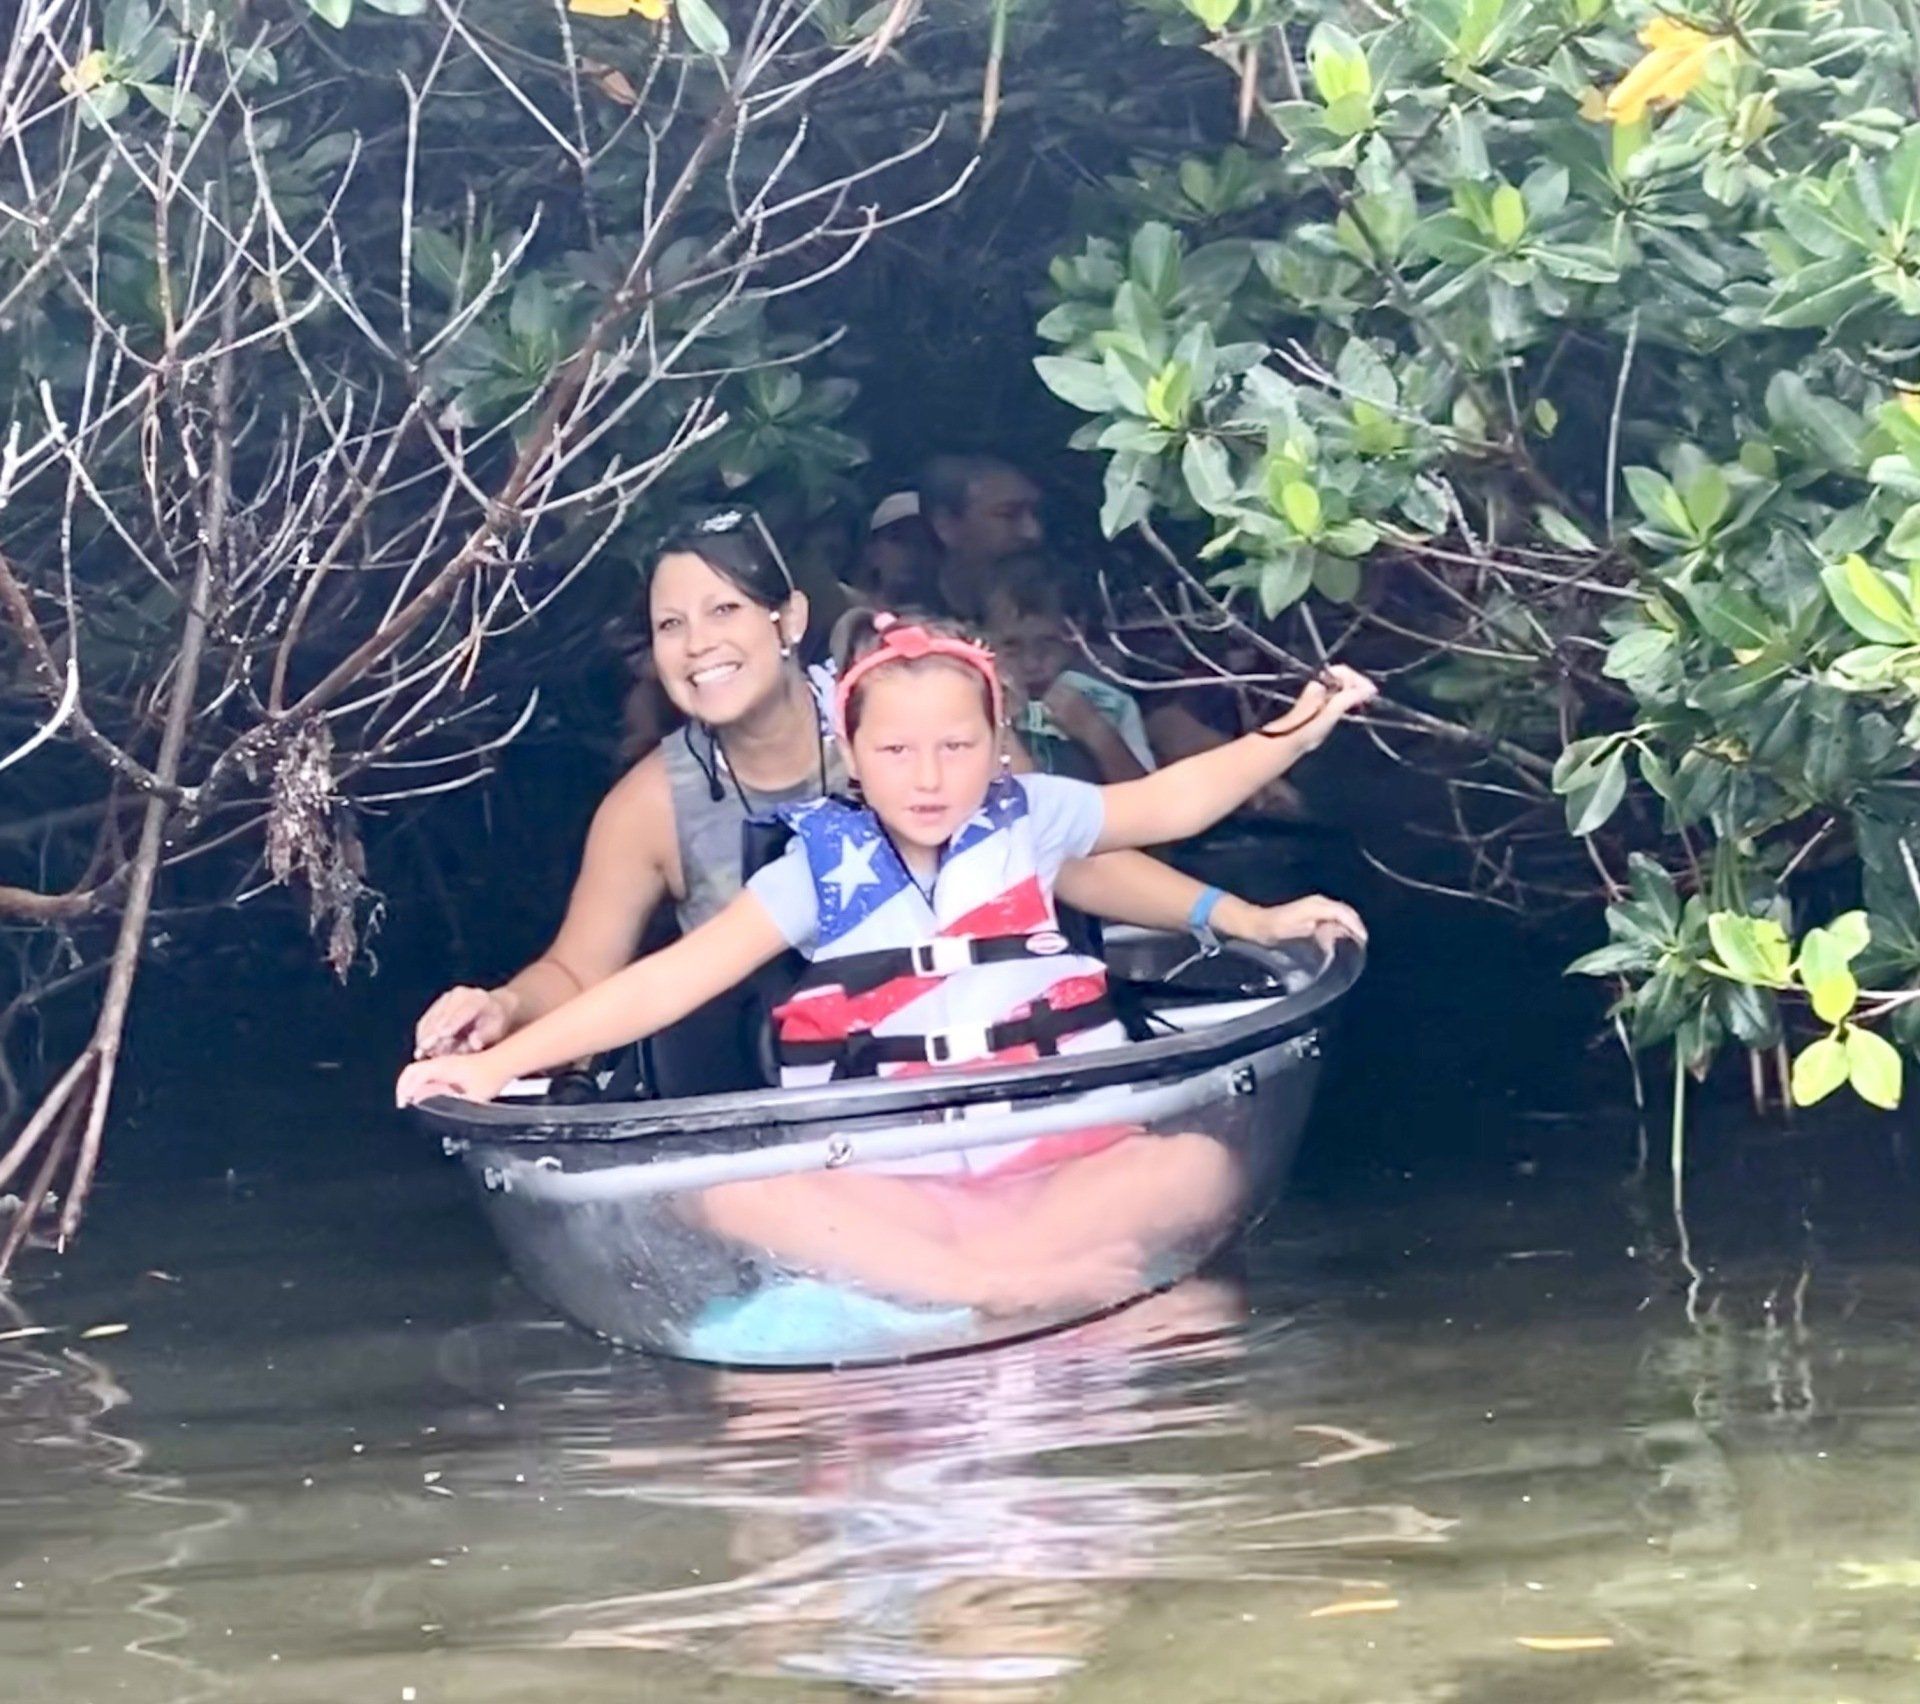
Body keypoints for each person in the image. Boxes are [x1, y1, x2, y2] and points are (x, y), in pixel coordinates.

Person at [398, 613, 1373, 1307]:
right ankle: (1006, 1292)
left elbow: (1177, 802)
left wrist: (1306, 721)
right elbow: (666, 981)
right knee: (726, 1192)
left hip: (1058, 1170)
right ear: (853, 758)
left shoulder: (1030, 820)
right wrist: (492, 1067)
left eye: (956, 746)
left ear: (998, 747)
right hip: (889, 1191)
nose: (929, 774)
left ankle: (976, 1286)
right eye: (898, 751)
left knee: (1197, 1164)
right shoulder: (816, 871)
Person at [410, 517, 1355, 1092]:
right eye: (670, 623)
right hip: (814, 1092)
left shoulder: (931, 713)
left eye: (726, 609)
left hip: (1017, 1054)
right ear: (855, 765)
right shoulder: (695, 818)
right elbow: (633, 977)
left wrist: (1248, 909)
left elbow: (1112, 835)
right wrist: (501, 1032)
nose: (929, 774)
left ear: (787, 623)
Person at [983, 561, 1155, 785]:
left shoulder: (1110, 705)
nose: (1031, 663)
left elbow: (1145, 799)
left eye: (1048, 643)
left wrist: (1095, 731)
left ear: (1076, 634)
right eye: (1011, 647)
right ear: (984, 639)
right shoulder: (974, 707)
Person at [919, 454, 1045, 621]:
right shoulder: (908, 622)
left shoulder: (1070, 616)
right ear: (946, 526)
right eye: (1008, 514)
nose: (1032, 532)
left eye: (1035, 513)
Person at [852, 491, 941, 609]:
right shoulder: (852, 615)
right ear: (872, 552)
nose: (911, 551)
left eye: (921, 540)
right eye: (897, 539)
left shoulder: (959, 620)